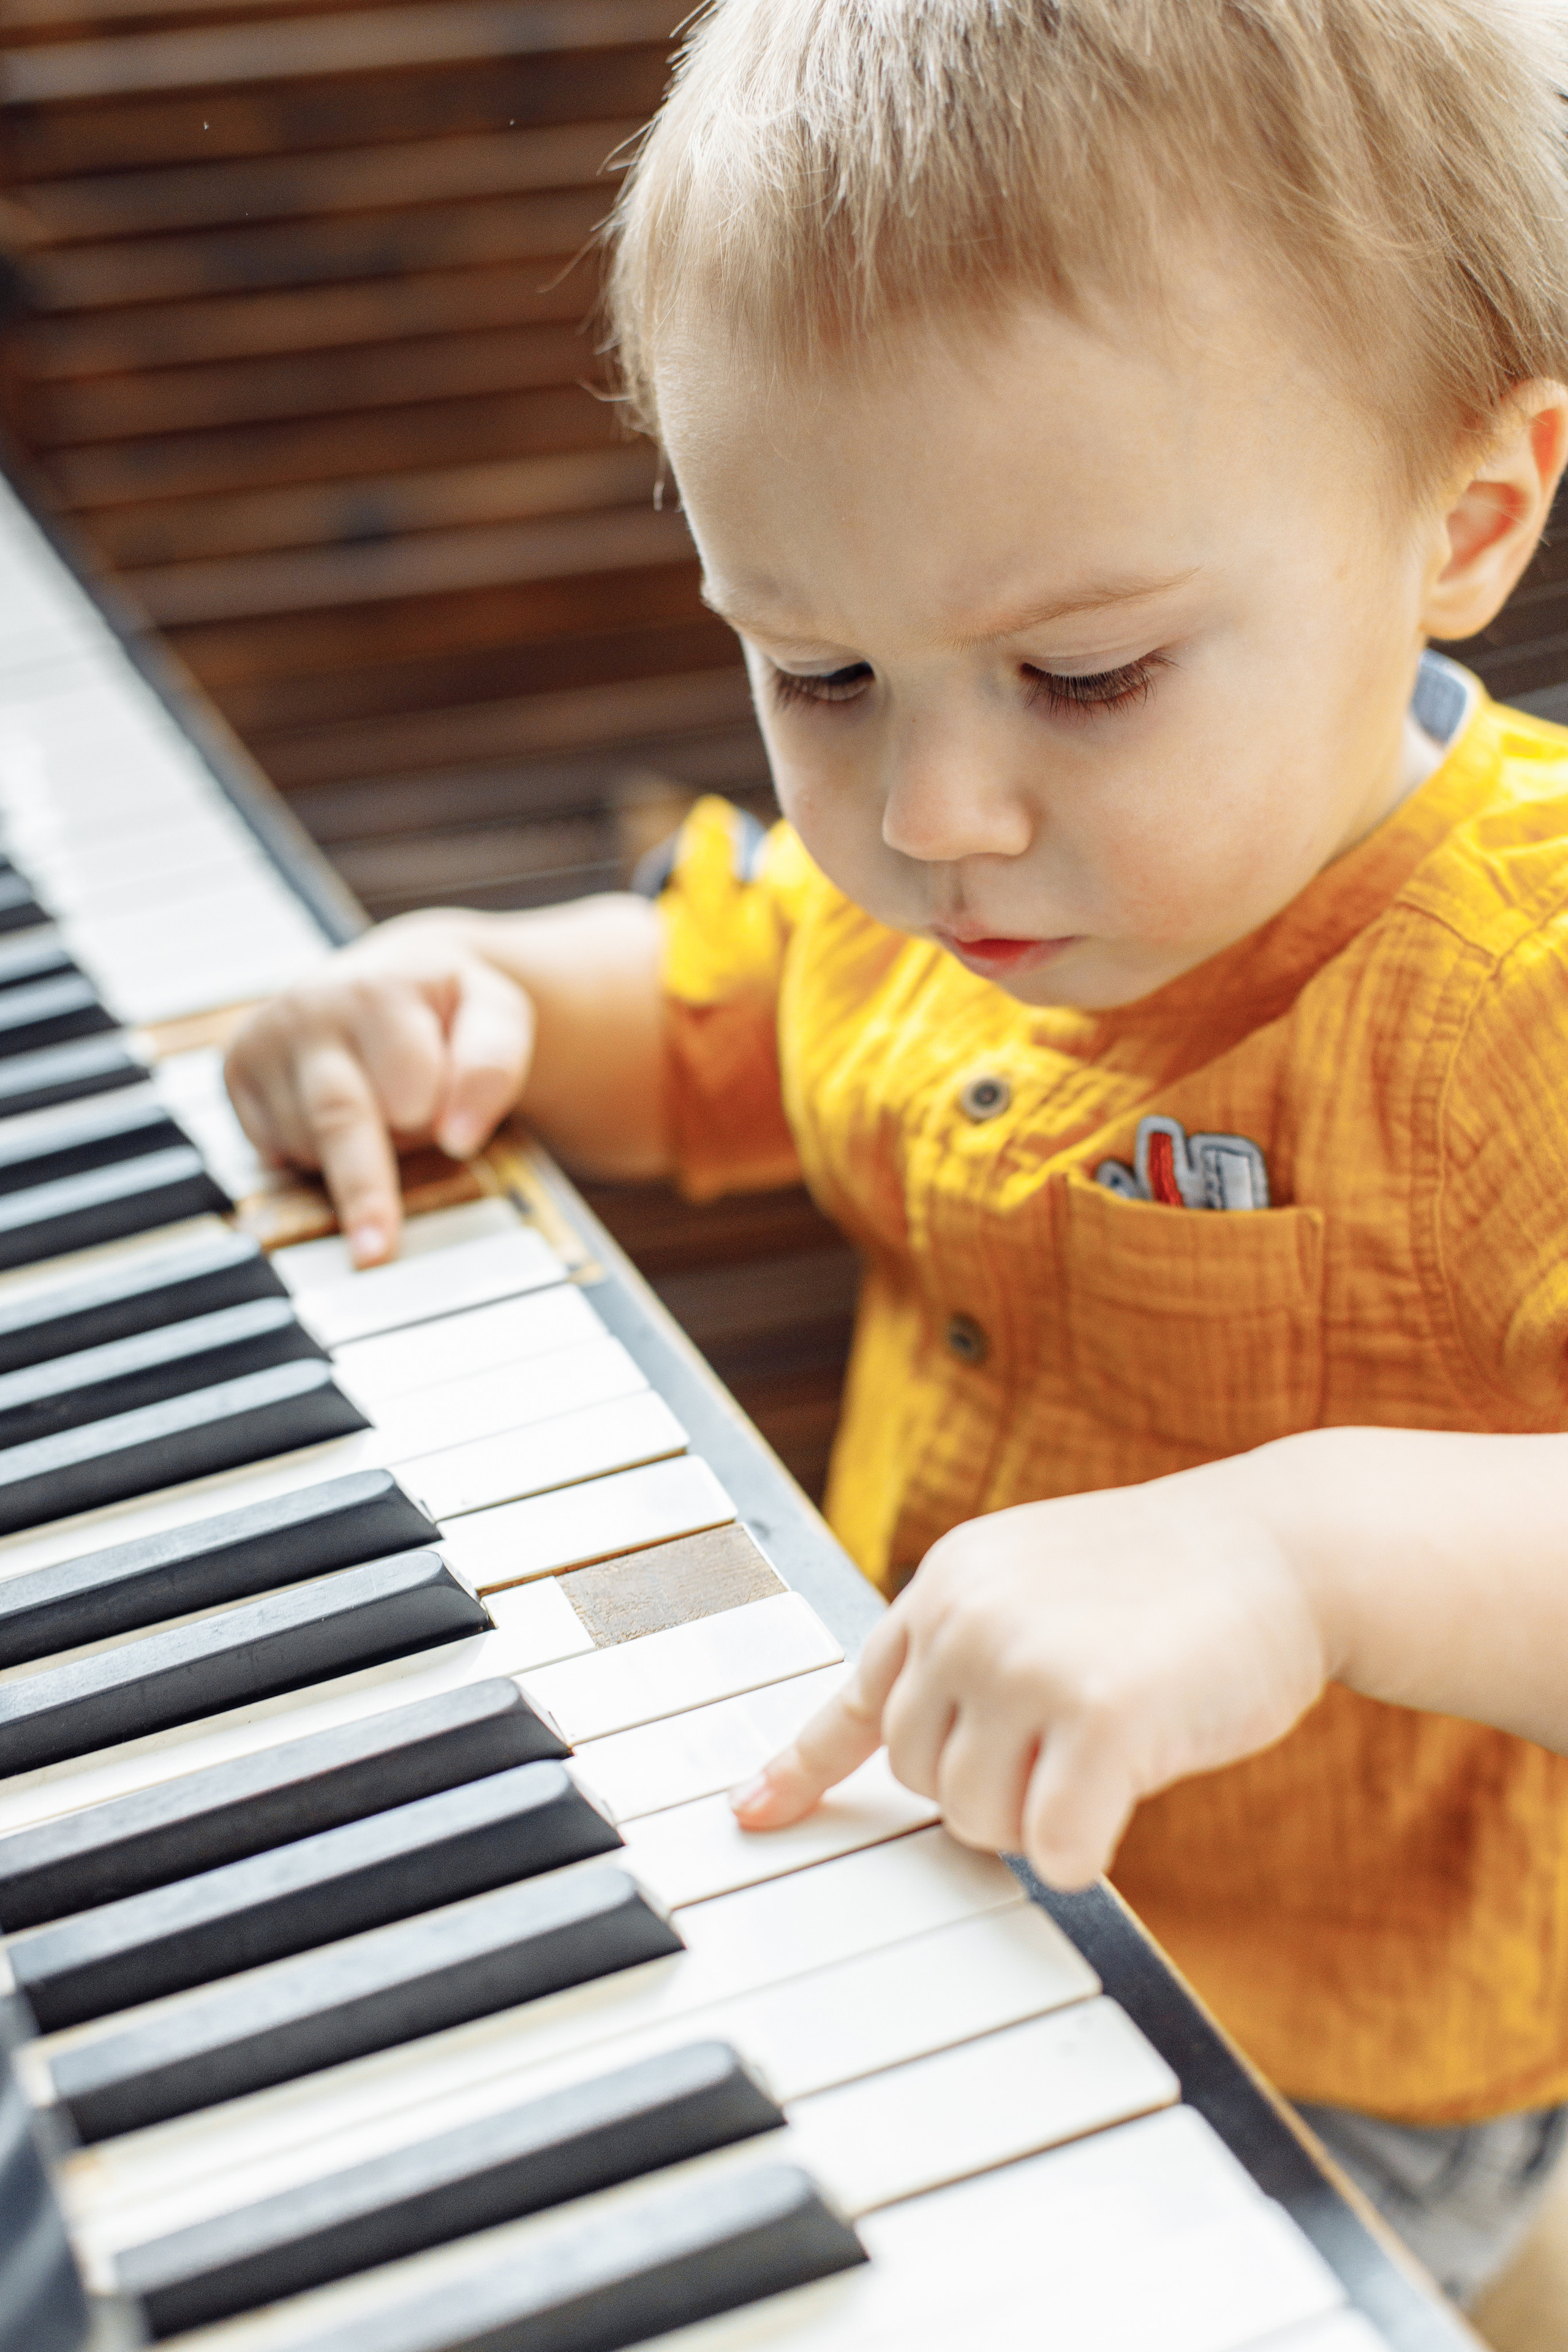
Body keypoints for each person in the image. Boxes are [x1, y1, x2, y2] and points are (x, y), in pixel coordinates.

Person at [225, 0, 1568, 2303]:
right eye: (819, 677)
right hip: (915, 1870)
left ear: (1463, 517)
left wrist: (1303, 1555)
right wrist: (480, 1003)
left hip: (1322, 2048)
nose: (931, 821)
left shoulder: (1515, 996)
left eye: (1090, 677)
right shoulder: (967, 896)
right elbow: (721, 1023)